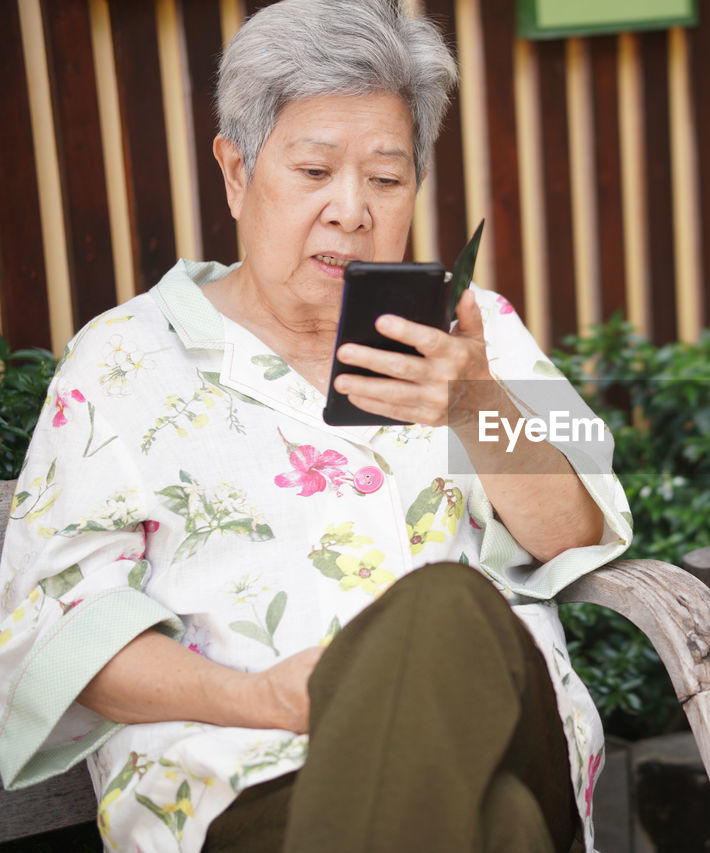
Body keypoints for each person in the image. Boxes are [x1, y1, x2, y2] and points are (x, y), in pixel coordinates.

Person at [0, 1, 631, 850]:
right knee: (504, 828)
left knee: (446, 609)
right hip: (254, 787)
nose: (351, 209)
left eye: (385, 176)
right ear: (235, 172)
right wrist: (269, 697)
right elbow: (57, 629)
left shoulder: (474, 336)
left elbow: (577, 528)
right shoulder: (122, 363)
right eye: (313, 171)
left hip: (505, 746)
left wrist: (475, 404)